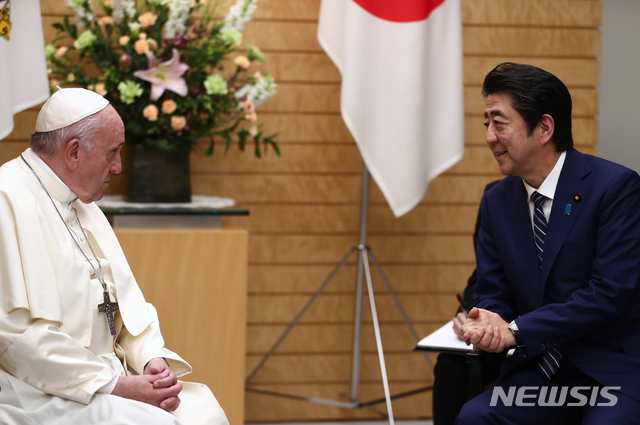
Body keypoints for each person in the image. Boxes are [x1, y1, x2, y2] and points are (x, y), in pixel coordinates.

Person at [0, 88, 229, 425]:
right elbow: (14, 337)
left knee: (204, 412)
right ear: (74, 152)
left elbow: (125, 307)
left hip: (109, 376)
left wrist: (151, 359)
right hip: (34, 388)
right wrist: (116, 386)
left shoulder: (80, 200)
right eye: (112, 153)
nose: (119, 167)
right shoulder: (7, 197)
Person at [454, 62, 640, 424]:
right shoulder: (497, 200)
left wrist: (516, 331)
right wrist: (488, 320)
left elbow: (608, 294)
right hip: (540, 368)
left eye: (499, 122)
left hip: (612, 368)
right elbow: (493, 290)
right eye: (486, 124)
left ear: (544, 127)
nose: (489, 136)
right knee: (474, 417)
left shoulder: (615, 188)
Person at [432, 181, 501, 425]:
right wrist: (469, 313)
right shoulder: (494, 194)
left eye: (501, 137)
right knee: (450, 367)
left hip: (549, 326)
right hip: (495, 325)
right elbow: (483, 273)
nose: (491, 139)